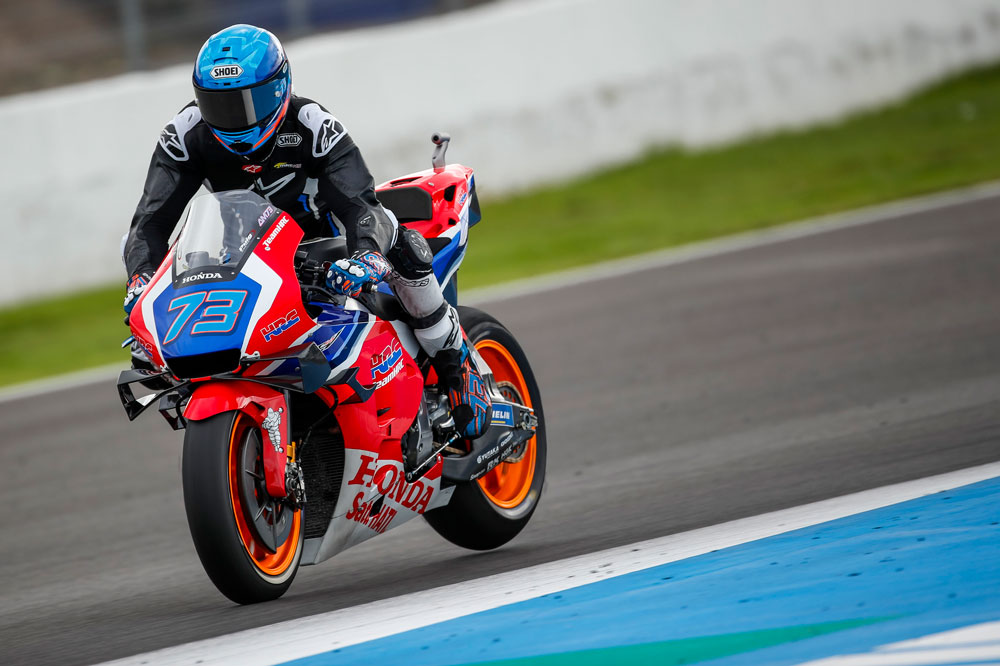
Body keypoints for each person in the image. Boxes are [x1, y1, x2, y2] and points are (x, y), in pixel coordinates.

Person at [122, 24, 491, 438]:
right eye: (218, 104)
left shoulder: (313, 125)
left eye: (247, 102)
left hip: (326, 248)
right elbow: (148, 225)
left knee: (401, 242)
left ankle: (456, 367)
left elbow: (360, 202)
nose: (233, 118)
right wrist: (141, 279)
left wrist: (366, 254)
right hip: (243, 258)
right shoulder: (185, 135)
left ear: (279, 89)